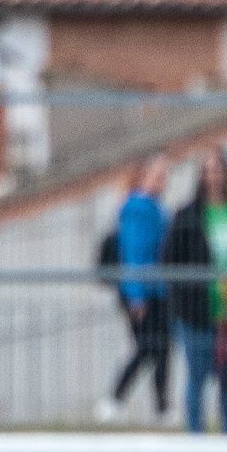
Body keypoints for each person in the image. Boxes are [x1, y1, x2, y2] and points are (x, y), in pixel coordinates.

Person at [165, 147, 227, 435]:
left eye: (218, 169)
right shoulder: (187, 215)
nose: (213, 176)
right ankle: (196, 436)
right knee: (197, 377)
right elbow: (171, 261)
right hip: (197, 312)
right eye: (207, 170)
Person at [98, 156, 172, 425]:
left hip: (160, 291)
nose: (161, 181)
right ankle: (114, 399)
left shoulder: (158, 208)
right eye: (156, 175)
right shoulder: (137, 208)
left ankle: (162, 407)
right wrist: (136, 295)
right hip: (140, 293)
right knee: (146, 347)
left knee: (162, 349)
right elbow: (134, 253)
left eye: (165, 175)